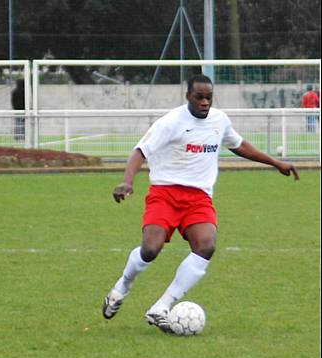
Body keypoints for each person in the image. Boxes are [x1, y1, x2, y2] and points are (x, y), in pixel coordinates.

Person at [102, 74, 299, 333]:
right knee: (150, 249)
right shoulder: (171, 122)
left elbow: (238, 145)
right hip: (165, 193)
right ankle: (121, 287)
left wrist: (276, 162)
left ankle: (161, 306)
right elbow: (140, 151)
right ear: (188, 97)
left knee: (206, 245)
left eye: (209, 97)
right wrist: (127, 182)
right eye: (199, 97)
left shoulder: (220, 120)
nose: (205, 102)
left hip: (199, 198)